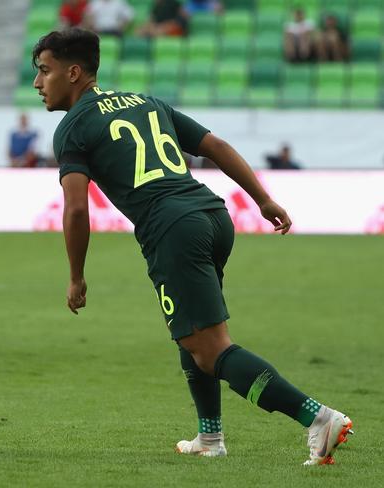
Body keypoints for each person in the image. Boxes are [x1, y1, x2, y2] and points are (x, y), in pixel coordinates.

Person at [32, 28, 353, 465]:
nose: (37, 83)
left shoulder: (74, 126)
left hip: (170, 228)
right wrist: (263, 200)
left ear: (73, 72)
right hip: (213, 216)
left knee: (211, 347)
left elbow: (74, 209)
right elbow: (215, 146)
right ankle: (209, 437)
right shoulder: (146, 102)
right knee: (192, 336)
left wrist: (75, 275)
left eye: (44, 71)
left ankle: (318, 418)